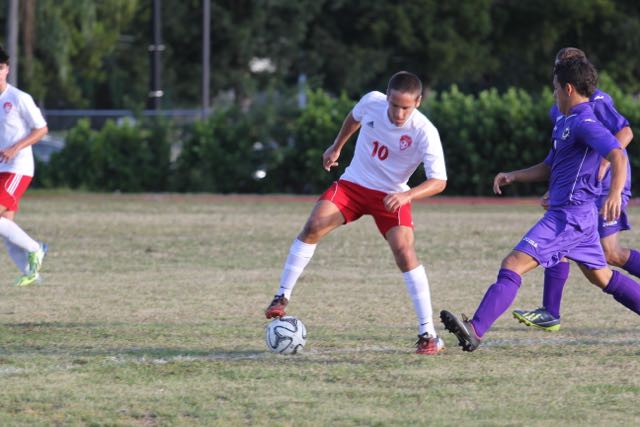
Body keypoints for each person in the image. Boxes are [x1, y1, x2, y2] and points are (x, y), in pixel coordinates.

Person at [440, 58, 640, 352]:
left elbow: (618, 154)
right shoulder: (567, 123)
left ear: (569, 89)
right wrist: (514, 176)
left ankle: (475, 329)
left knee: (512, 265)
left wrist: (613, 194)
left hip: (568, 217)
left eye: (556, 89)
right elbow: (550, 166)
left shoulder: (585, 122)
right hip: (577, 217)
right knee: (603, 277)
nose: (554, 95)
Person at [264, 71, 448, 355]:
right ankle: (281, 296)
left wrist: (406, 195)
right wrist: (336, 147)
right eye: (394, 105)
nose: (399, 113)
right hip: (353, 185)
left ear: (418, 102)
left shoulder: (425, 132)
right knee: (313, 225)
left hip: (392, 195)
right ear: (387, 98)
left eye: (406, 107)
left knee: (404, 252)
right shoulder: (372, 102)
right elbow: (354, 117)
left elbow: (439, 181)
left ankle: (428, 334)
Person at [513, 47, 638, 332]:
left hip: (606, 183)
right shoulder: (558, 108)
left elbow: (625, 133)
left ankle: (550, 311)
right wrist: (558, 189)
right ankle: (550, 312)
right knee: (564, 240)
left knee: (610, 254)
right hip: (579, 189)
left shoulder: (597, 99)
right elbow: (564, 156)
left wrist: (606, 168)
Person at [0, 45, 48, 287]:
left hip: (17, 169)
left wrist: (15, 148)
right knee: (5, 228)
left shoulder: (19, 98)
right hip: (0, 171)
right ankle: (33, 275)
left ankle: (35, 248)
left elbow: (42, 129)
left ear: (7, 69)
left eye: (0, 67)